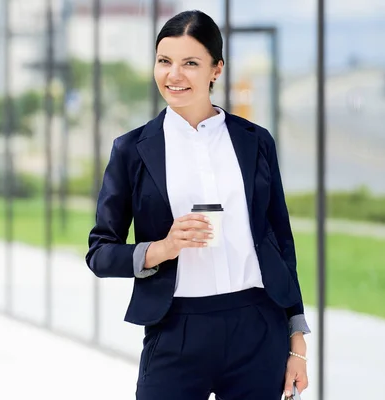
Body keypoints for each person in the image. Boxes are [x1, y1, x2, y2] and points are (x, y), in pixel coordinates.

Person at [86, 9, 310, 400]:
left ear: (216, 69)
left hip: (257, 326)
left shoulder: (255, 141)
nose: (174, 75)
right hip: (175, 330)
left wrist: (297, 339)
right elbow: (99, 253)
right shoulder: (132, 150)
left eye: (190, 63)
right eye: (164, 61)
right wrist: (162, 249)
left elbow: (281, 242)